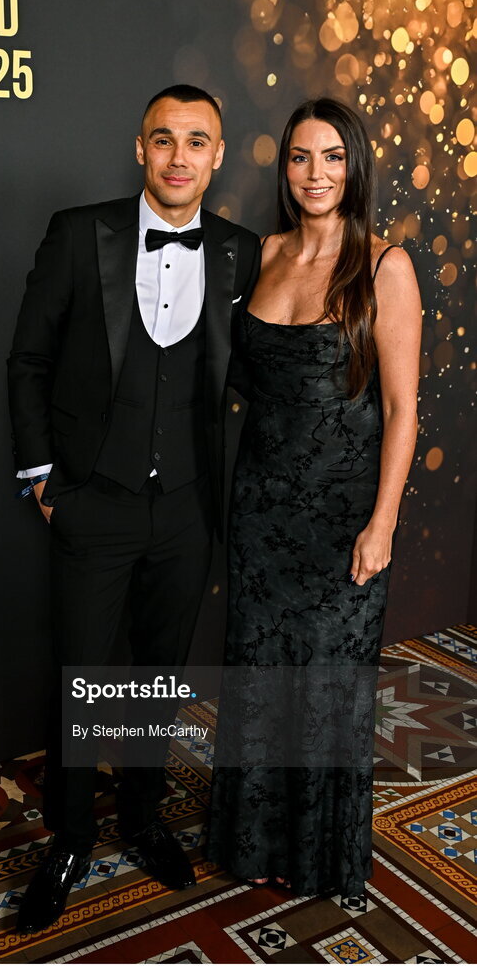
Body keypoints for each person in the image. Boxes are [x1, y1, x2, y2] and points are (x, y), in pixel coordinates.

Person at [8, 84, 261, 932]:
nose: (180, 156)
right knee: (82, 677)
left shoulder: (240, 251)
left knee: (158, 673)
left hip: (188, 512)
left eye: (197, 141)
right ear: (140, 149)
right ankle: (71, 837)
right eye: (164, 140)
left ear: (218, 155)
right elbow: (29, 359)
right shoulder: (81, 233)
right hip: (94, 504)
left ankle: (144, 814)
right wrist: (46, 485)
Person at [207, 96, 421, 897]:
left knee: (329, 685)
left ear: (355, 166)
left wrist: (384, 522)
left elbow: (402, 409)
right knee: (262, 672)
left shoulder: (385, 265)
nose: (315, 173)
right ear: (283, 169)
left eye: (332, 157)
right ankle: (254, 844)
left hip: (343, 519)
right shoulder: (261, 253)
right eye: (300, 157)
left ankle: (319, 857)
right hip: (262, 510)